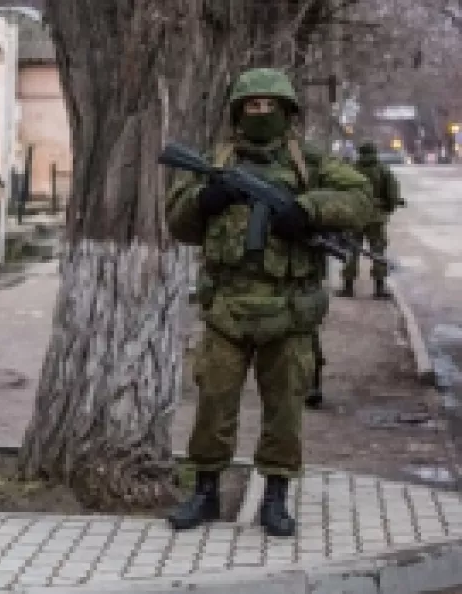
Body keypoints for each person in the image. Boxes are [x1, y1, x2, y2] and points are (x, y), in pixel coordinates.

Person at [164, 68, 375, 537]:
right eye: (252, 105)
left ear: (287, 112)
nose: (261, 113)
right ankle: (205, 492)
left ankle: (276, 496)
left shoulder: (311, 164)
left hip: (289, 308)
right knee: (214, 406)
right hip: (226, 309)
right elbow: (177, 224)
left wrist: (308, 209)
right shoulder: (213, 161)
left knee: (284, 410)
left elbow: (361, 197)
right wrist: (206, 200)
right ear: (238, 111)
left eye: (270, 105)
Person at [337, 140, 405, 299]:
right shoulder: (383, 170)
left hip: (355, 215)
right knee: (378, 251)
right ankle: (379, 288)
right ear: (375, 152)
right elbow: (393, 194)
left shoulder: (352, 169)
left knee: (351, 250)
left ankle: (348, 287)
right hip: (376, 218)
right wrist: (387, 209)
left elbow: (342, 190)